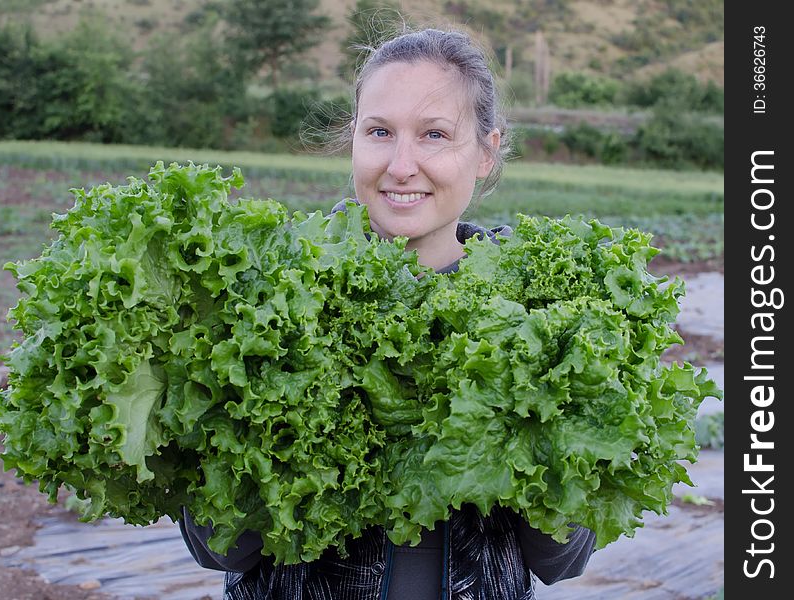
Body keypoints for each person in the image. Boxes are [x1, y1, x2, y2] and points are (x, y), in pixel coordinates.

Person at [180, 26, 596, 599]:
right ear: (352, 138)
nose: (402, 166)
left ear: (485, 152)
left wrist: (534, 431)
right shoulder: (269, 299)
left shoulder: (537, 318)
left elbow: (560, 558)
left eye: (434, 135)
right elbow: (217, 546)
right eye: (380, 132)